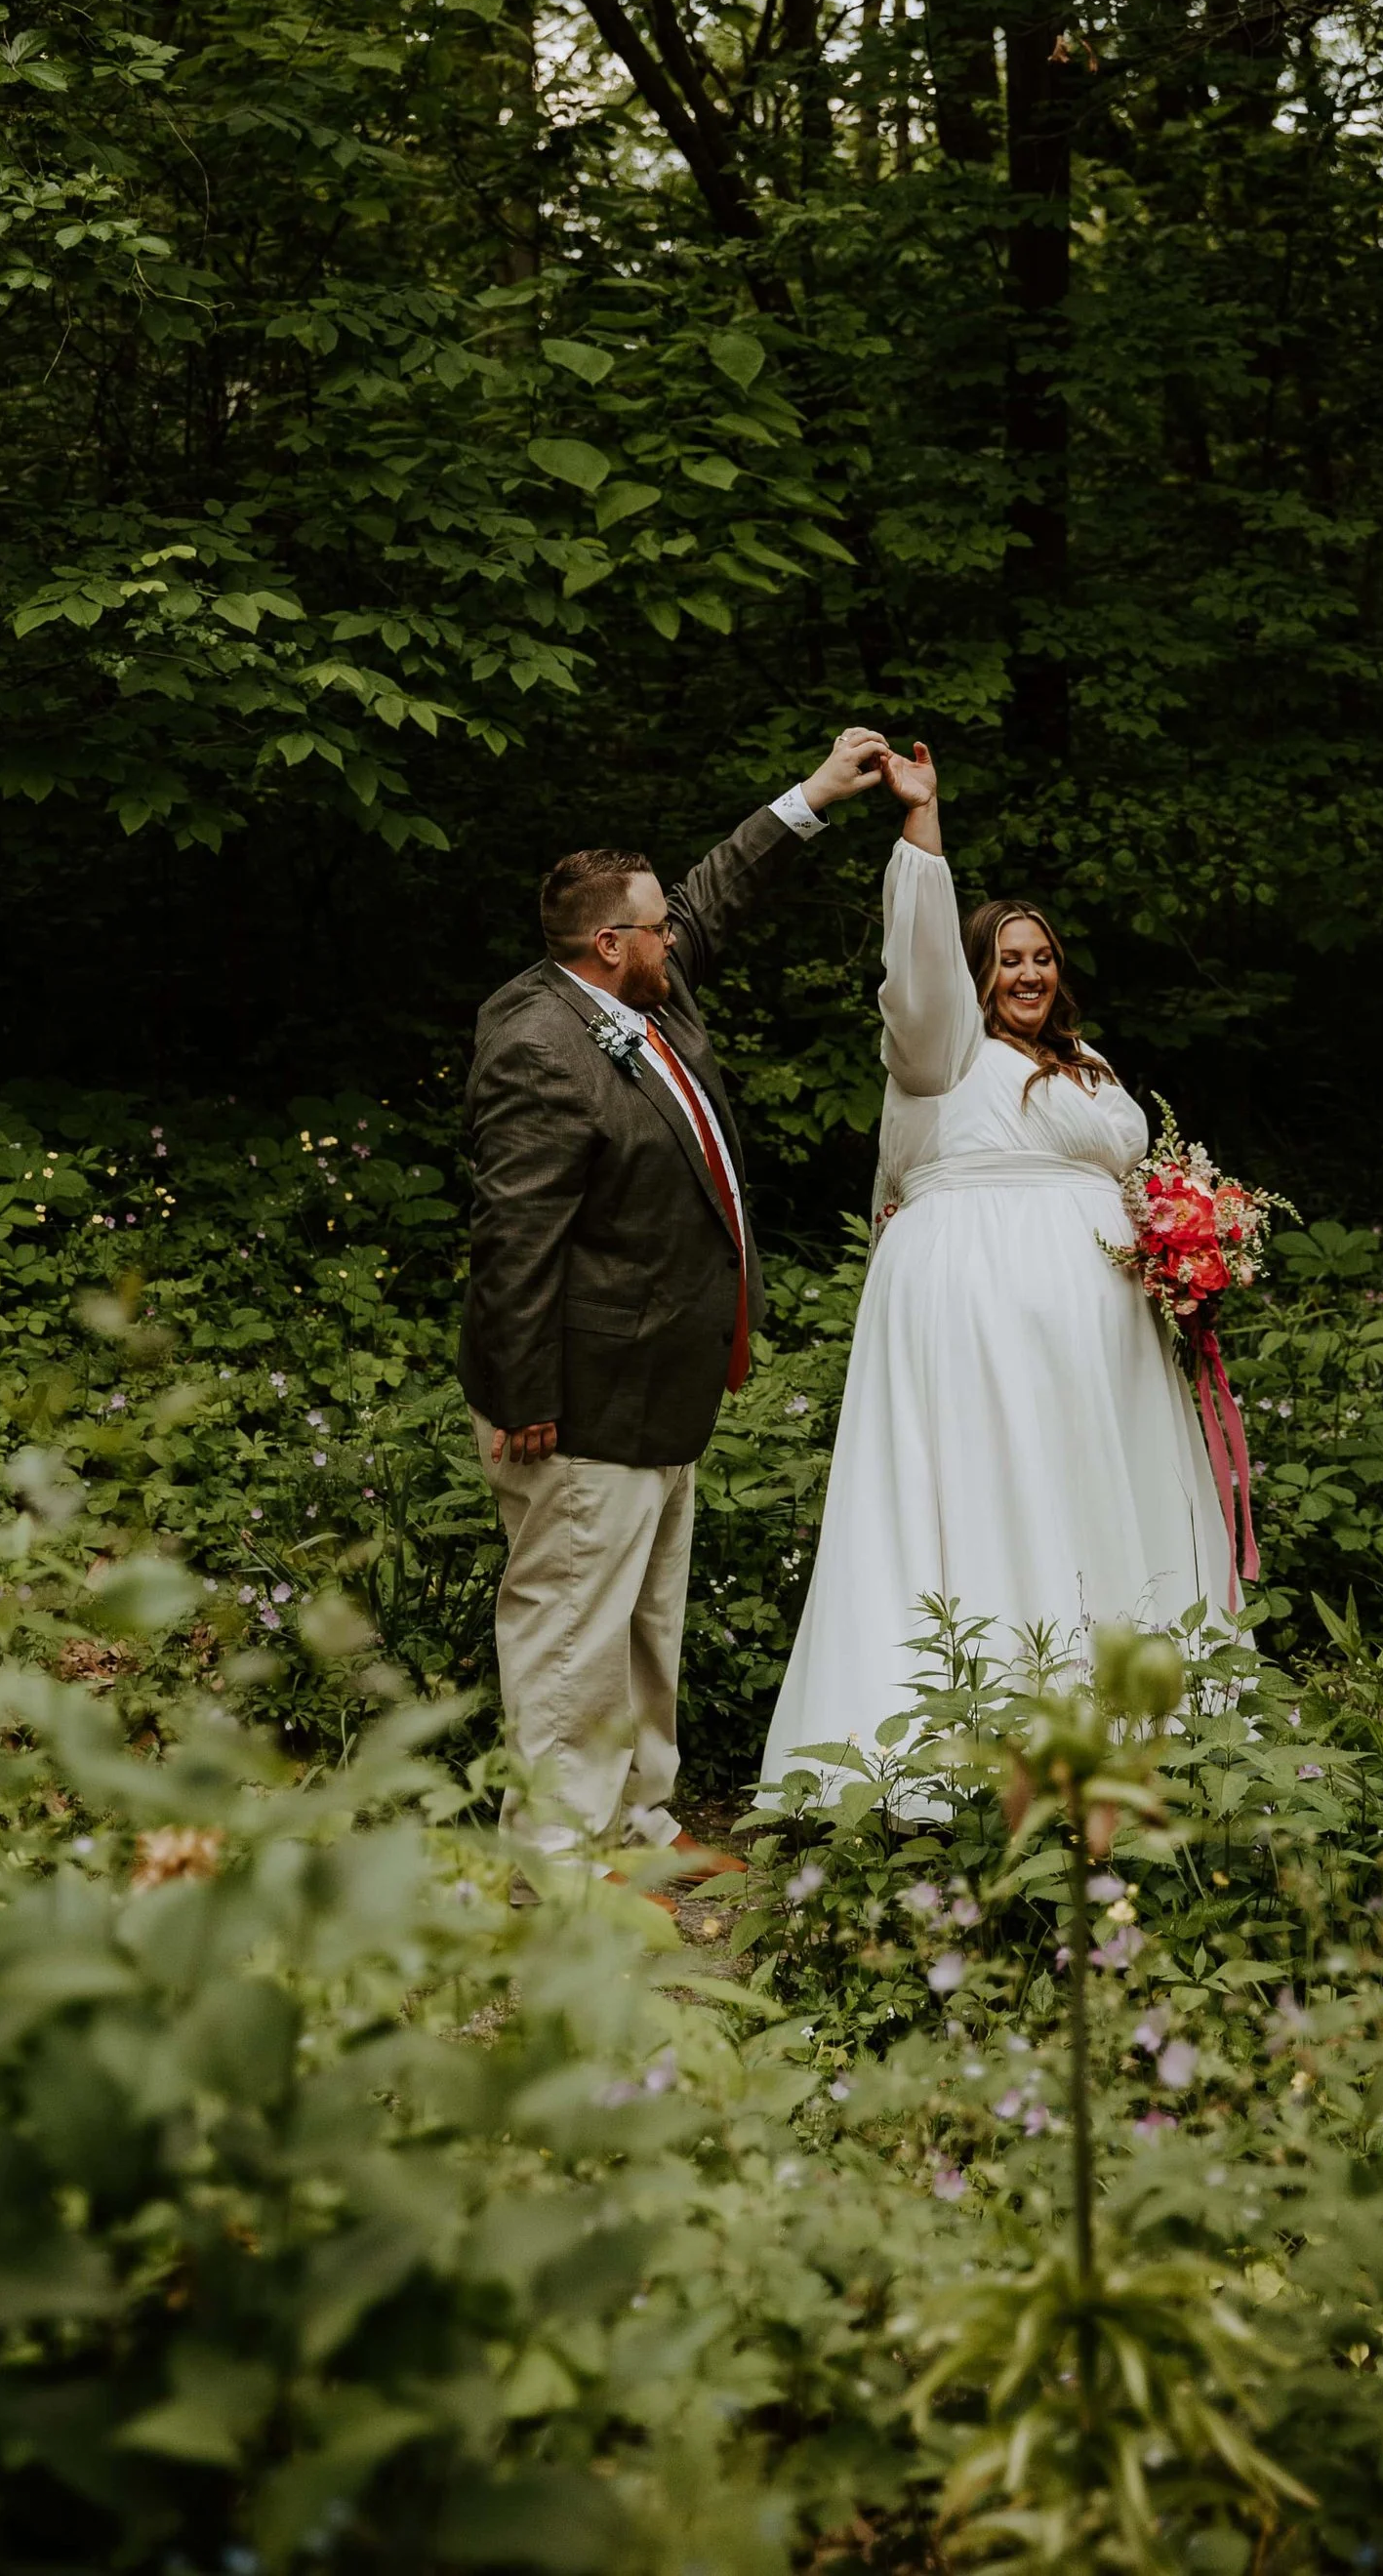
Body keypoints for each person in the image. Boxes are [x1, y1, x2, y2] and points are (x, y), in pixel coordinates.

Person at [759, 738, 1241, 1798]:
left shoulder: (1093, 1066)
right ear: (975, 970)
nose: (1028, 973)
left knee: (1096, 1494)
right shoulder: (938, 1054)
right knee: (987, 1490)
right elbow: (917, 961)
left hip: (1106, 1344)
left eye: (1041, 957)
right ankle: (964, 1751)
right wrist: (920, 826)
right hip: (976, 1314)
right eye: (1007, 958)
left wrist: (1191, 1238)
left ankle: (1136, 1728)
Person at [461, 729, 890, 1863]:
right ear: (610, 945)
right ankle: (553, 1863)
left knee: (644, 1625)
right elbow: (514, 1241)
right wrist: (526, 1397)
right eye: (657, 927)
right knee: (568, 1632)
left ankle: (636, 1823)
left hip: (659, 1380)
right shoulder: (539, 1046)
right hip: (578, 1394)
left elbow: (712, 894)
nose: (678, 935)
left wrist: (812, 797)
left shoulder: (637, 988)